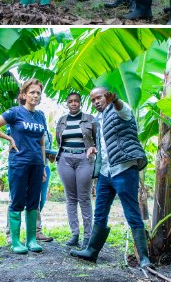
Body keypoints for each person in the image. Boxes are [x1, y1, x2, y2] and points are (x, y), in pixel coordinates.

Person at [70, 88, 153, 271]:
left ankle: (144, 258)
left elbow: (123, 110)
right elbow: (108, 145)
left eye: (99, 97)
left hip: (124, 169)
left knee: (132, 213)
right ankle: (92, 251)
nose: (96, 102)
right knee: (100, 212)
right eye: (92, 100)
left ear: (108, 96)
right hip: (106, 172)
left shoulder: (120, 109)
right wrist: (94, 149)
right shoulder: (98, 120)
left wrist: (116, 100)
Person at [0, 79, 48, 254]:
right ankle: (16, 241)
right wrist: (9, 138)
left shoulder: (41, 115)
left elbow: (42, 143)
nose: (35, 95)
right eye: (32, 92)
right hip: (19, 162)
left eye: (38, 93)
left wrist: (43, 166)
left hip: (36, 163)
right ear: (24, 95)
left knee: (34, 201)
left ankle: (32, 240)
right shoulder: (15, 112)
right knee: (18, 200)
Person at [55, 92, 97, 248]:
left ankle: (88, 236)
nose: (73, 103)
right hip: (65, 159)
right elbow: (59, 140)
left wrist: (93, 149)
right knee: (70, 198)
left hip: (84, 160)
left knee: (84, 197)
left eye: (76, 101)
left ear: (80, 103)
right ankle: (74, 235)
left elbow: (97, 139)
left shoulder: (90, 119)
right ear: (67, 103)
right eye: (70, 101)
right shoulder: (61, 121)